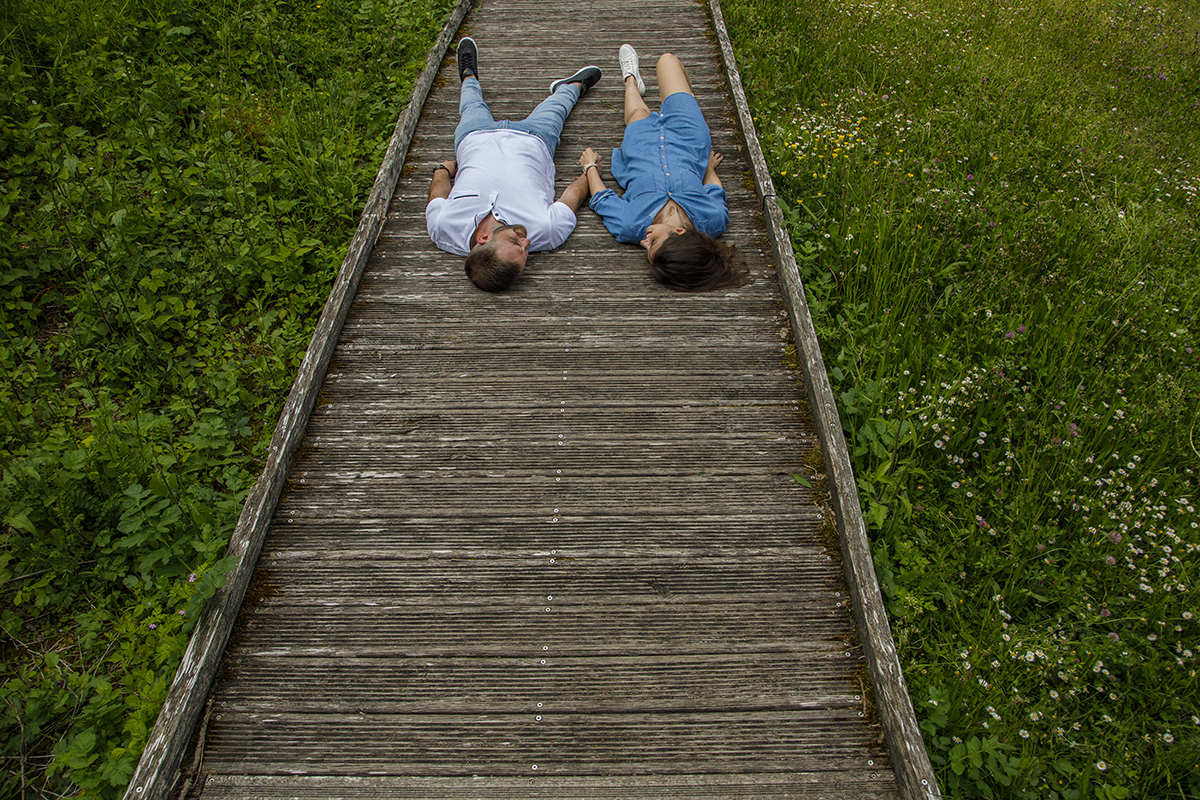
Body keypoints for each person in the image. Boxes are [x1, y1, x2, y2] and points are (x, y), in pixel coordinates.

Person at [427, 37, 601, 292]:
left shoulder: (443, 228)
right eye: (525, 249)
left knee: (471, 104)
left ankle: (468, 74)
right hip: (535, 140)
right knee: (559, 106)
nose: (527, 240)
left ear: (483, 239)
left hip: (475, 137)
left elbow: (437, 197)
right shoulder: (546, 230)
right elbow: (571, 198)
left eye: (516, 241)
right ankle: (571, 86)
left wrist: (442, 171)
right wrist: (590, 168)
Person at [579, 47, 743, 292]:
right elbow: (713, 189)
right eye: (652, 242)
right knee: (667, 60)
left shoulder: (630, 225)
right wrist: (707, 167)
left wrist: (590, 166)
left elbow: (602, 199)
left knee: (637, 113)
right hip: (689, 138)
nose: (644, 241)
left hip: (640, 147)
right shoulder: (712, 221)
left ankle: (631, 79)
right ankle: (685, 99)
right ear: (678, 231)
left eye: (646, 248)